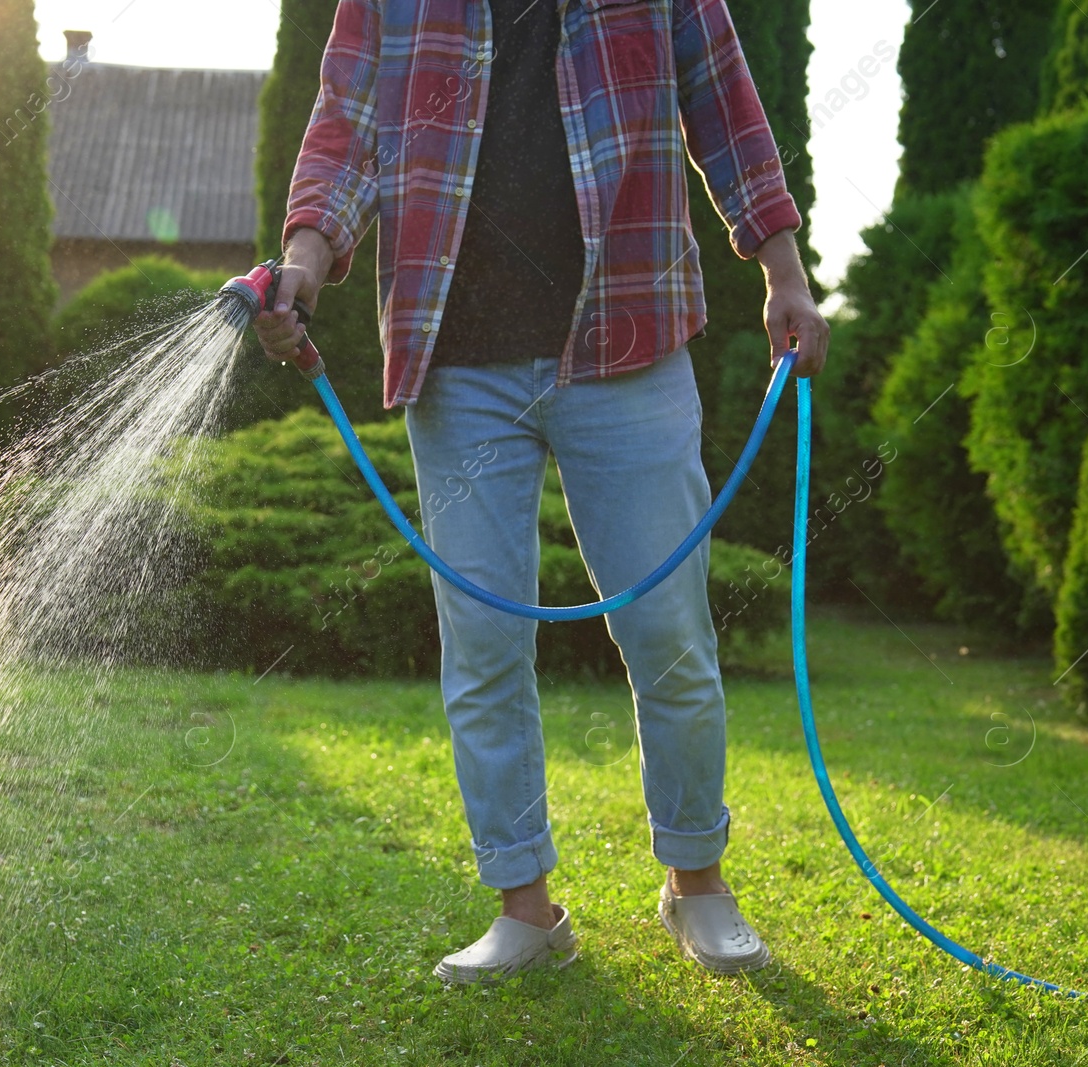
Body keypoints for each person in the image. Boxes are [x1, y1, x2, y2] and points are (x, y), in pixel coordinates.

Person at [253, 0, 828, 984]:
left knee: (668, 630)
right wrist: (302, 262)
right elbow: (344, 127)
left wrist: (785, 271)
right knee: (481, 642)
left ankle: (696, 882)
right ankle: (525, 907)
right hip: (458, 360)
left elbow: (722, 102)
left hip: (629, 338)